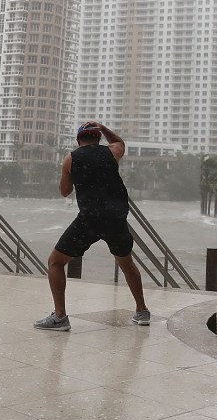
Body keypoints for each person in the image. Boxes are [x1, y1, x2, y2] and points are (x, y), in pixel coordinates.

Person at [33, 121, 150, 331]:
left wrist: (68, 174)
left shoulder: (71, 158)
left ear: (79, 141)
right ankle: (142, 311)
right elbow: (119, 142)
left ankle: (60, 317)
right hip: (116, 219)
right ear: (98, 138)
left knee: (55, 262)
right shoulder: (111, 152)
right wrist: (103, 127)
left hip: (89, 220)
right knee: (127, 264)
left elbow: (65, 191)